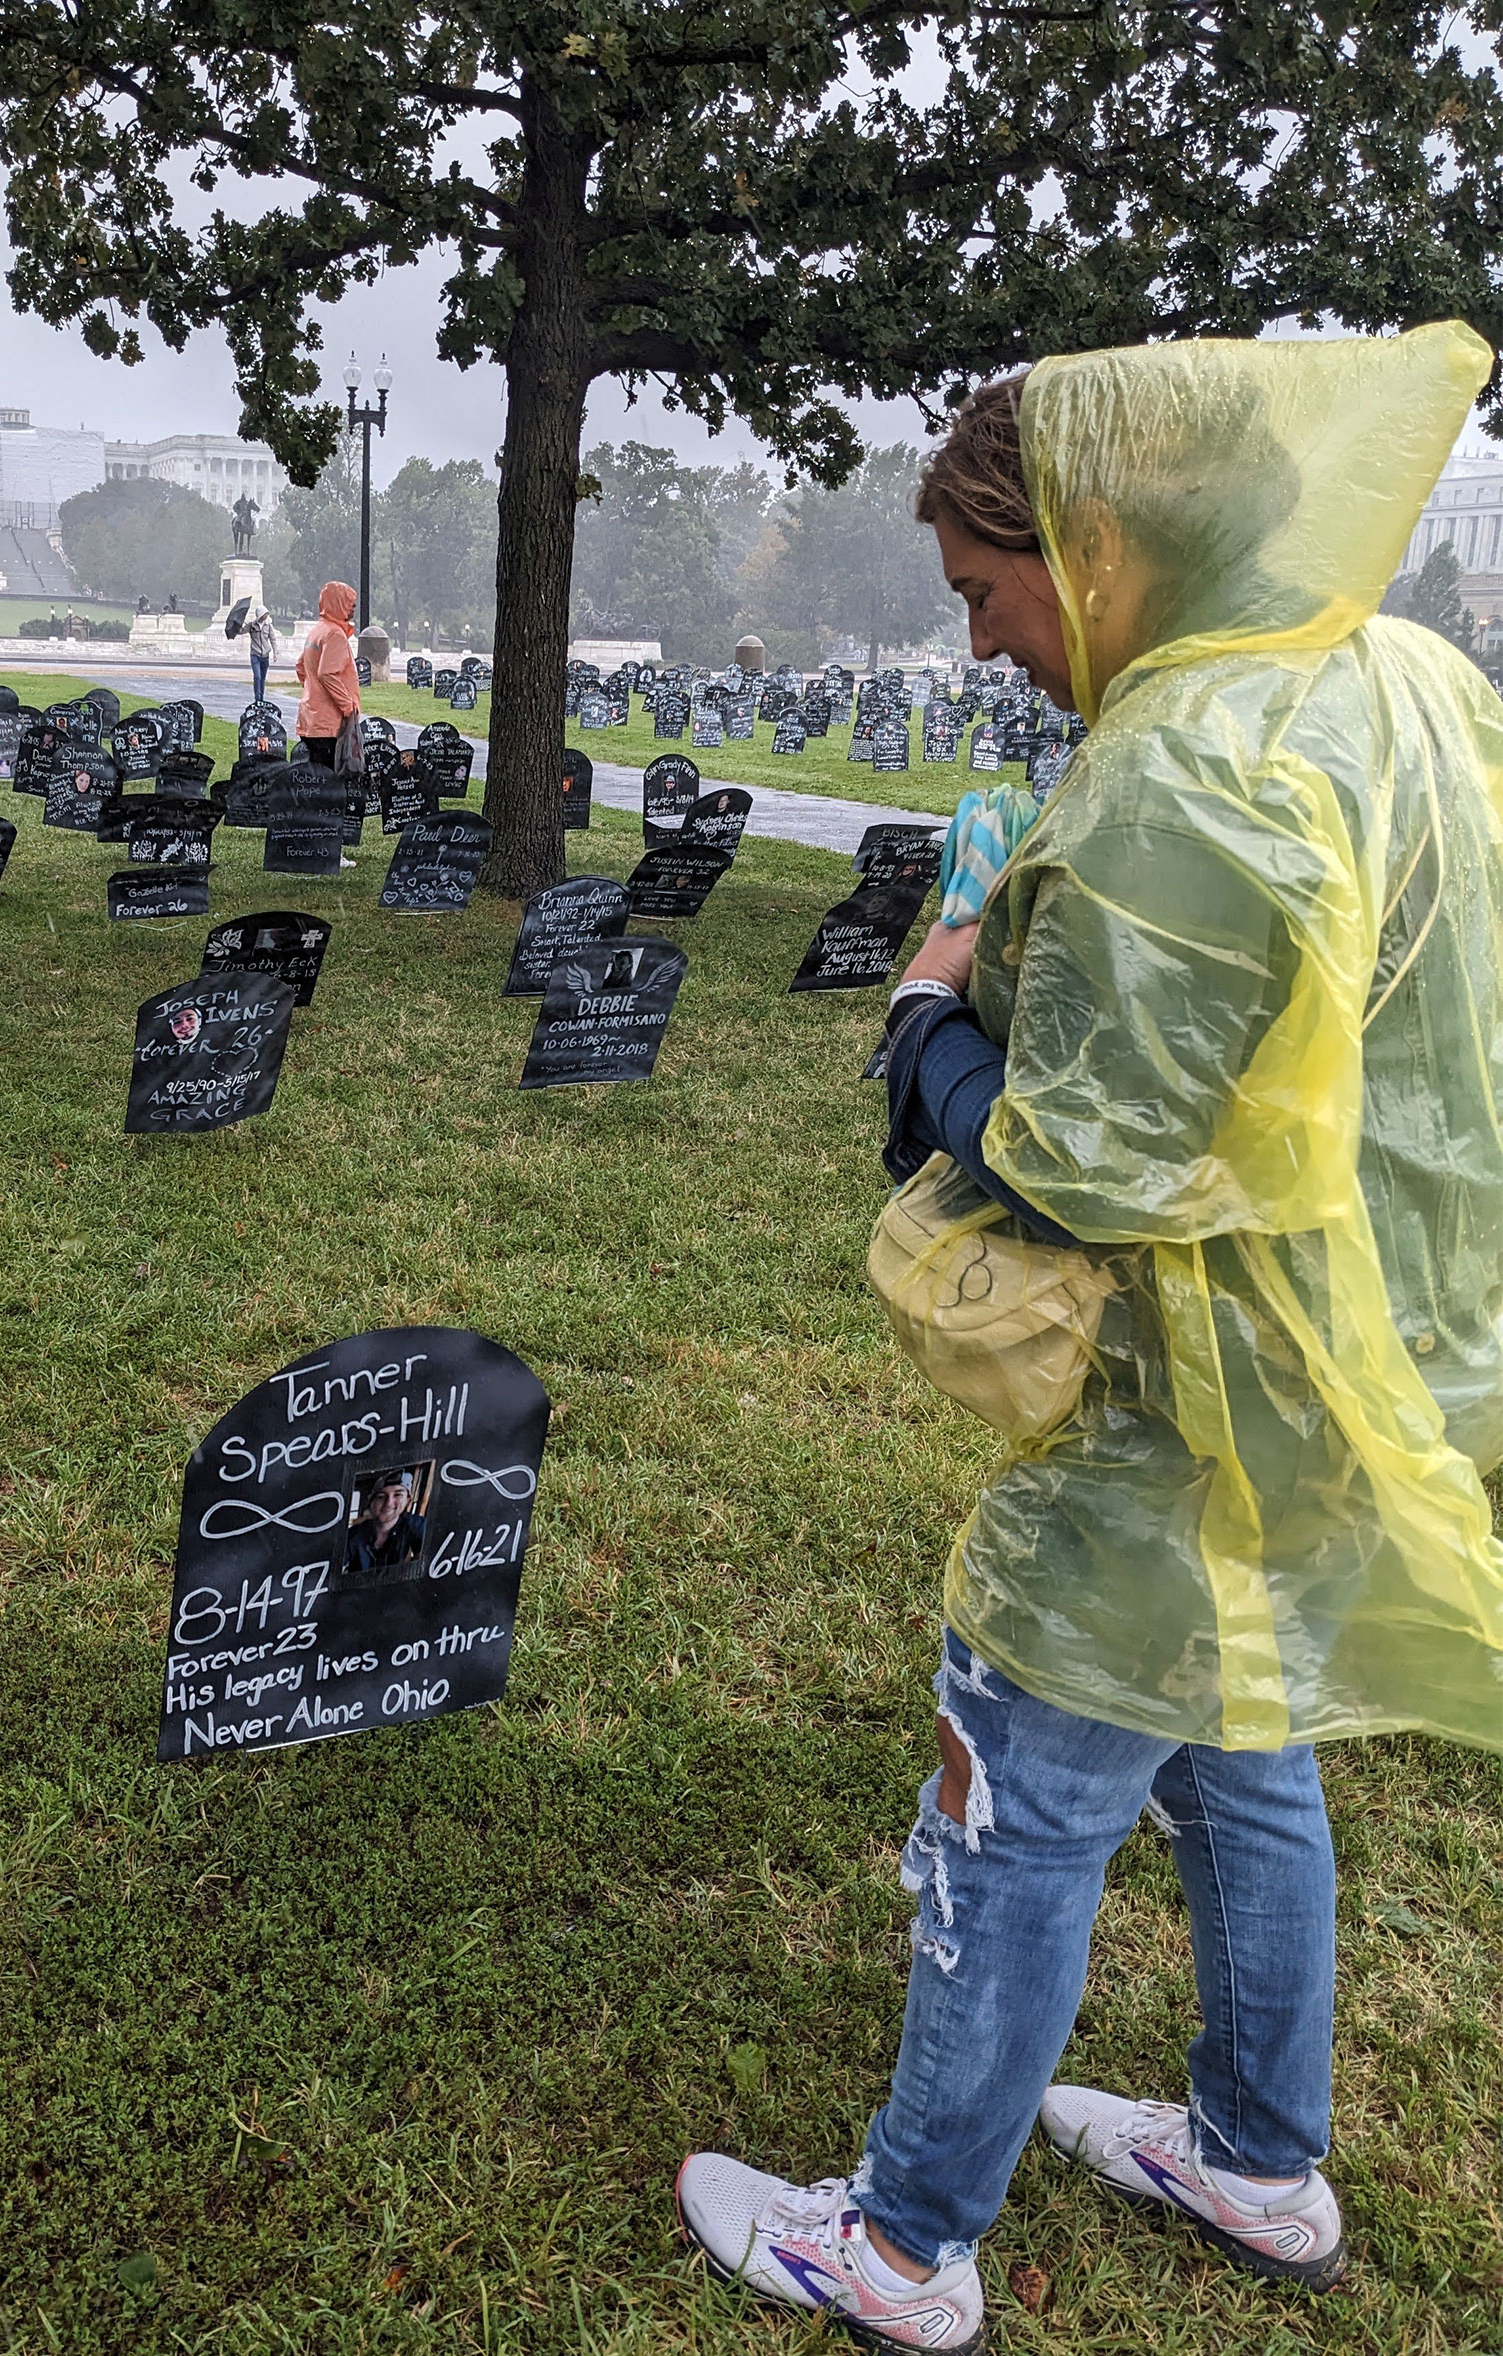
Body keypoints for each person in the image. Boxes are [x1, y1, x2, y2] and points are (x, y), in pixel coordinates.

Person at [678, 325, 1503, 2352]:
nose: (980, 646)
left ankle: (898, 2239)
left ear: (1089, 534)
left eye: (983, 591)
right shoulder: (1403, 678)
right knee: (1240, 1727)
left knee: (1019, 1776)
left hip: (1181, 1369)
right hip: (1356, 1341)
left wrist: (928, 1016)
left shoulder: (1178, 765)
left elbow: (1074, 1174)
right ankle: (1254, 2149)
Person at [294, 580, 360, 769]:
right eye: (350, 604)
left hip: (310, 719)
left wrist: (312, 691)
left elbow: (300, 666)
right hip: (329, 723)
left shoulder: (317, 630)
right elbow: (328, 673)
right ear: (338, 604)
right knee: (329, 778)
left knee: (316, 777)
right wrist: (348, 708)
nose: (353, 608)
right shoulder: (335, 635)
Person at [345, 1470, 426, 1577]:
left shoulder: (415, 1525)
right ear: (371, 1503)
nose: (388, 1503)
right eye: (381, 1496)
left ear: (407, 1500)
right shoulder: (354, 1534)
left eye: (398, 1495)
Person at [247, 602, 277, 709]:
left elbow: (272, 639)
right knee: (257, 676)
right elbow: (241, 631)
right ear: (260, 615)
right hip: (255, 655)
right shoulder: (252, 625)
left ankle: (262, 698)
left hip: (265, 655)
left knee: (263, 678)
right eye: (265, 614)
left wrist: (275, 652)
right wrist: (238, 626)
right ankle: (257, 698)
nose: (266, 616)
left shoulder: (268, 626)